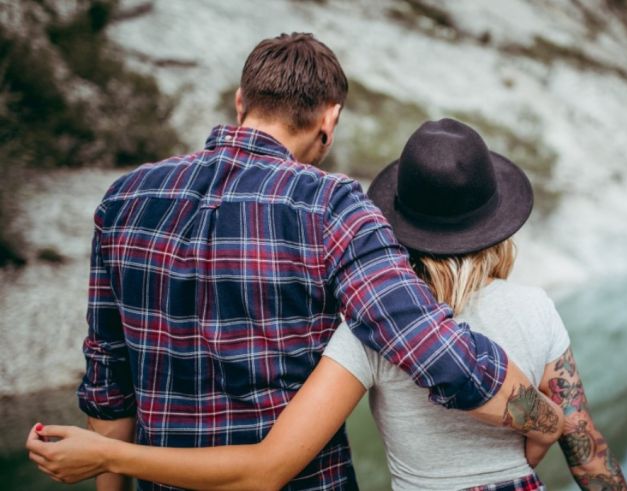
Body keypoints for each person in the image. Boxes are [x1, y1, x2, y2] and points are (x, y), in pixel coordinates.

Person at [26, 33, 564, 491]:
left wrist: (109, 472)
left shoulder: (124, 199)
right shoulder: (331, 206)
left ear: (241, 101)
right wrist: (543, 418)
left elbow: (108, 378)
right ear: (329, 120)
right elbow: (431, 346)